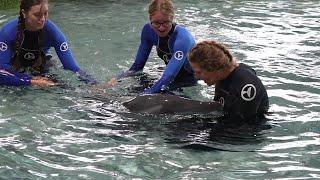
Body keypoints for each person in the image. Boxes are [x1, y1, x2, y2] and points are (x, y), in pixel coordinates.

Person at [106, 0, 196, 94]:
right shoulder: (148, 31)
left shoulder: (182, 39)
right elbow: (137, 68)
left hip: (187, 83)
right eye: (156, 23)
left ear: (172, 18)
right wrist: (116, 79)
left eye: (166, 22)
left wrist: (143, 95)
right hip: (167, 79)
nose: (161, 28)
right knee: (128, 91)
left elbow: (169, 76)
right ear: (150, 18)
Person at [0, 0, 95, 87]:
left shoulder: (53, 33)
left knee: (64, 87)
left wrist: (94, 84)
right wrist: (31, 81)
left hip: (41, 66)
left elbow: (72, 68)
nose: (43, 19)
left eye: (45, 13)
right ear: (24, 13)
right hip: (14, 69)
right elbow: (2, 71)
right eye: (37, 15)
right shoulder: (7, 33)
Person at [188, 40, 269, 123]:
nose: (196, 77)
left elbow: (240, 126)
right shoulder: (222, 77)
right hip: (229, 120)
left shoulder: (245, 86)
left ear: (214, 68)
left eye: (199, 72)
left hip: (246, 129)